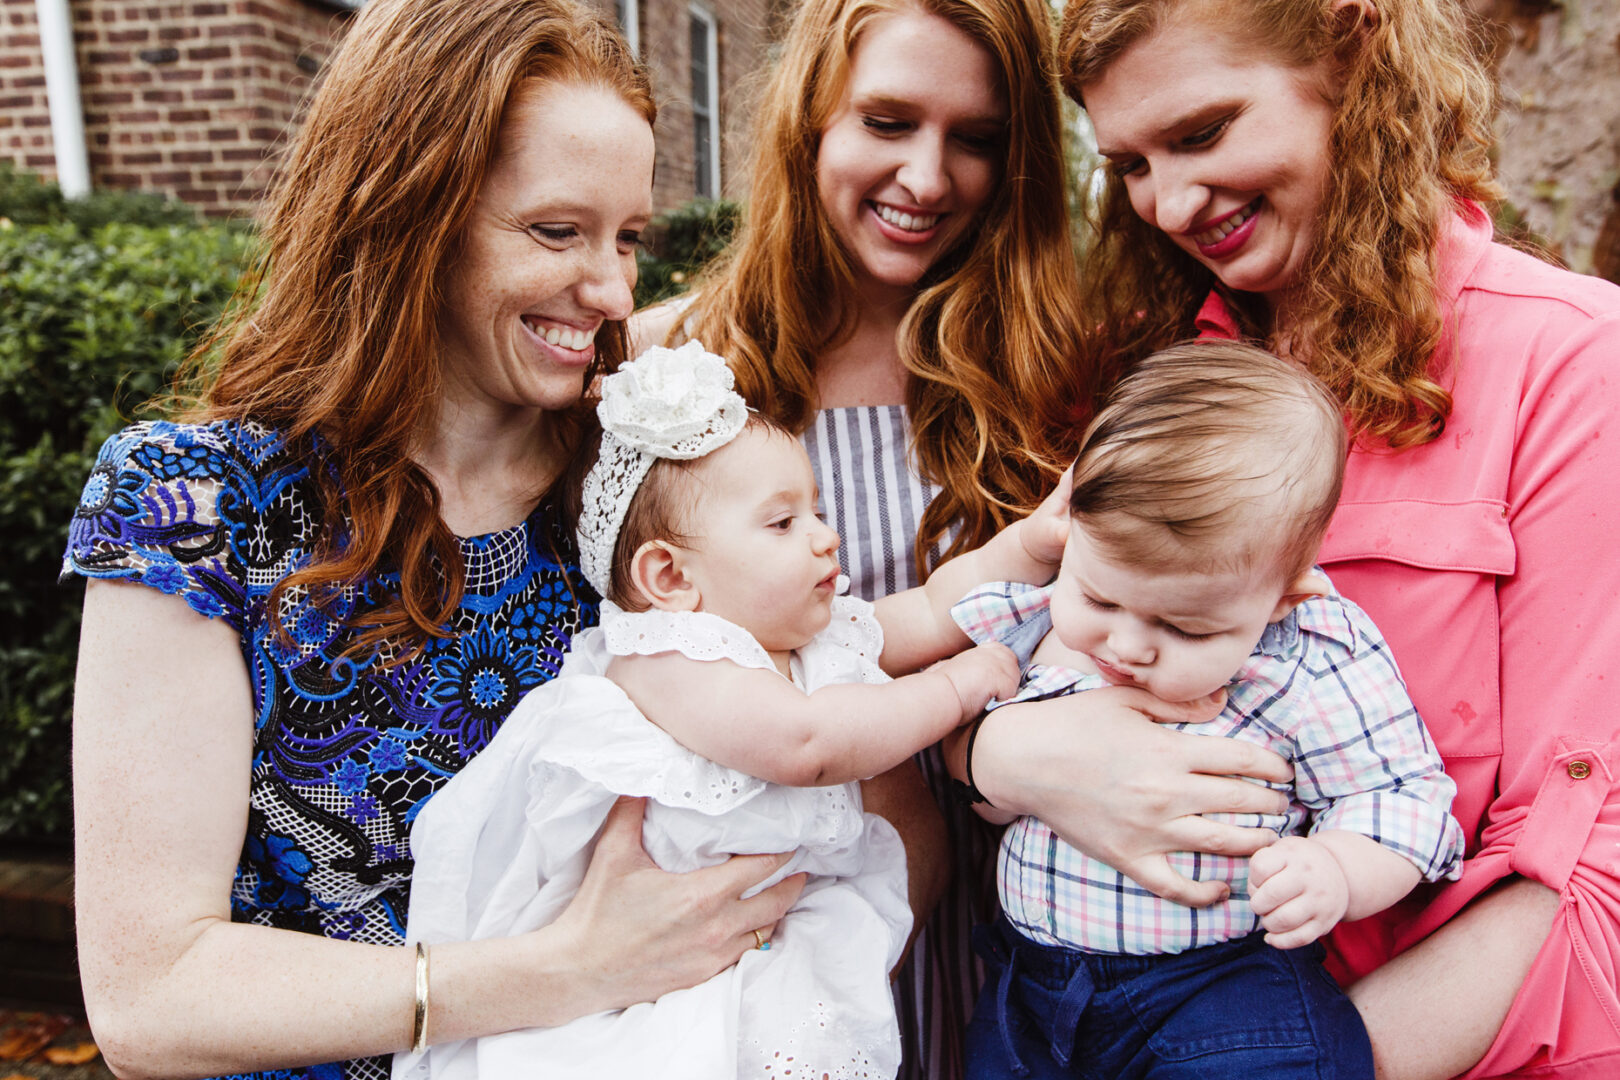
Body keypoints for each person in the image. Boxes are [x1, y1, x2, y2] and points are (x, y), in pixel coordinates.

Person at [61, 4, 808, 1080]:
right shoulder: (196, 504)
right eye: (557, 232)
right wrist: (564, 968)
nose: (610, 293)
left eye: (629, 238)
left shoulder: (632, 496)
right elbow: (148, 995)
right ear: (406, 210)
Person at [633, 0, 1297, 1074]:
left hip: (1020, 944)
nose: (930, 179)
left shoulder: (1070, 378)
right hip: (753, 940)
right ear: (811, 119)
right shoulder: (672, 372)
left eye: (976, 139)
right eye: (888, 121)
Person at [962, 0, 1620, 1075]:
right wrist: (1007, 751)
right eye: (1128, 162)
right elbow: (1020, 646)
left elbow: (1586, 862)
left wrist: (1267, 1058)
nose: (1168, 202)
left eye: (1204, 131)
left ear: (1352, 56)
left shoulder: (1575, 365)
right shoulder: (1157, 377)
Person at [399, 341, 1075, 1080]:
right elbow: (806, 745)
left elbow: (941, 603)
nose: (827, 535)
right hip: (650, 974)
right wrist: (952, 690)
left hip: (756, 936)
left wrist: (1034, 544)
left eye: (815, 510)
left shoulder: (820, 635)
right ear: (669, 576)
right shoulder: (667, 656)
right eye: (782, 524)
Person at [952, 341, 1464, 1078]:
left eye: (1185, 628)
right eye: (1098, 596)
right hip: (1029, 989)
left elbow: (1404, 796)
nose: (1126, 645)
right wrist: (1003, 779)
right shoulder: (1039, 625)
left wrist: (1337, 868)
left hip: (1216, 994)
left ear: (1286, 595)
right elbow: (967, 758)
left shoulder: (1304, 657)